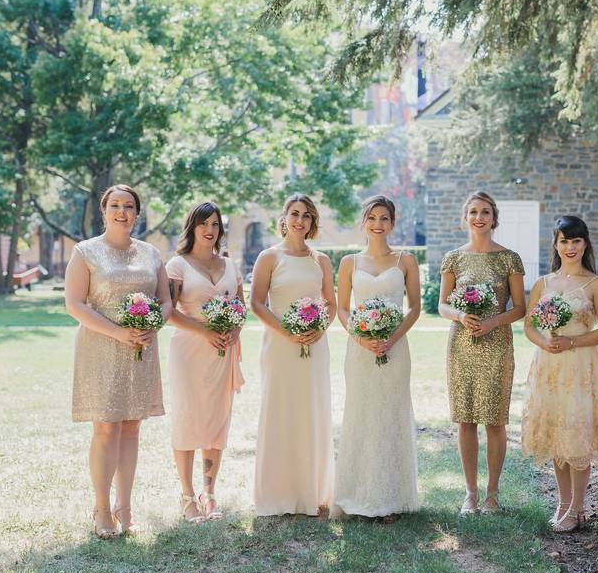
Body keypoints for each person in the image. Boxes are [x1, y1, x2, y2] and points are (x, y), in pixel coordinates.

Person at [64, 184, 171, 538]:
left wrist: (152, 325)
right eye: (115, 205)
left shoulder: (152, 255)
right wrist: (118, 332)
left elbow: (166, 301)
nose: (122, 211)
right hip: (101, 347)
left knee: (132, 426)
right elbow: (75, 305)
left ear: (137, 214)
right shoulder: (86, 252)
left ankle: (125, 505)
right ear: (104, 210)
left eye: (128, 206)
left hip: (141, 347)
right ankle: (101, 506)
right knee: (106, 426)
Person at [521, 216, 598, 532]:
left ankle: (578, 508)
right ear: (556, 244)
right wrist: (546, 343)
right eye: (564, 240)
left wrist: (572, 341)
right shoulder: (543, 284)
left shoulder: (594, 285)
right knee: (557, 434)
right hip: (549, 366)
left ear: (585, 243)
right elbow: (529, 326)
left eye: (576, 240)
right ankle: (563, 504)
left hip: (580, 365)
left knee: (576, 434)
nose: (570, 247)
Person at [332, 195, 420, 519]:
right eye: (372, 218)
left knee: (390, 416)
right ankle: (357, 494)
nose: (378, 224)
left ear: (393, 223)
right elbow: (342, 309)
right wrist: (360, 336)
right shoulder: (349, 263)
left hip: (396, 350)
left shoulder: (405, 261)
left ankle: (390, 499)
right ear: (364, 222)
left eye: (384, 218)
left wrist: (392, 337)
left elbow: (414, 308)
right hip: (360, 351)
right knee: (362, 415)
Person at [438, 191, 526, 515]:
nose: (479, 217)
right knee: (465, 419)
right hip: (461, 343)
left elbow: (520, 308)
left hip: (497, 342)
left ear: (494, 218)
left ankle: (492, 494)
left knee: (494, 420)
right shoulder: (453, 258)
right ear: (465, 217)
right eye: (473, 212)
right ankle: (470, 494)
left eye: (485, 212)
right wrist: (461, 316)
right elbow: (442, 304)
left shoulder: (509, 259)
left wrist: (492, 323)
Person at [250, 194, 336, 516]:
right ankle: (279, 494)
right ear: (284, 218)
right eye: (294, 214)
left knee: (311, 411)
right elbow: (257, 303)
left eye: (306, 215)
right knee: (281, 411)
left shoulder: (321, 260)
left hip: (315, 346)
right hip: (280, 345)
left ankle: (310, 492)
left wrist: (319, 330)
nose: (300, 220)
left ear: (312, 222)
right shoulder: (269, 257)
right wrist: (288, 332)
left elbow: (331, 303)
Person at [166, 202, 245, 523]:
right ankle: (187, 496)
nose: (210, 230)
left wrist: (233, 332)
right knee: (187, 418)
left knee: (216, 422)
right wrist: (205, 329)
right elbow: (168, 311)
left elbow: (241, 307)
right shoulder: (177, 265)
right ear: (192, 228)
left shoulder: (230, 265)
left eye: (215, 224)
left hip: (222, 353)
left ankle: (209, 492)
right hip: (188, 353)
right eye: (203, 224)